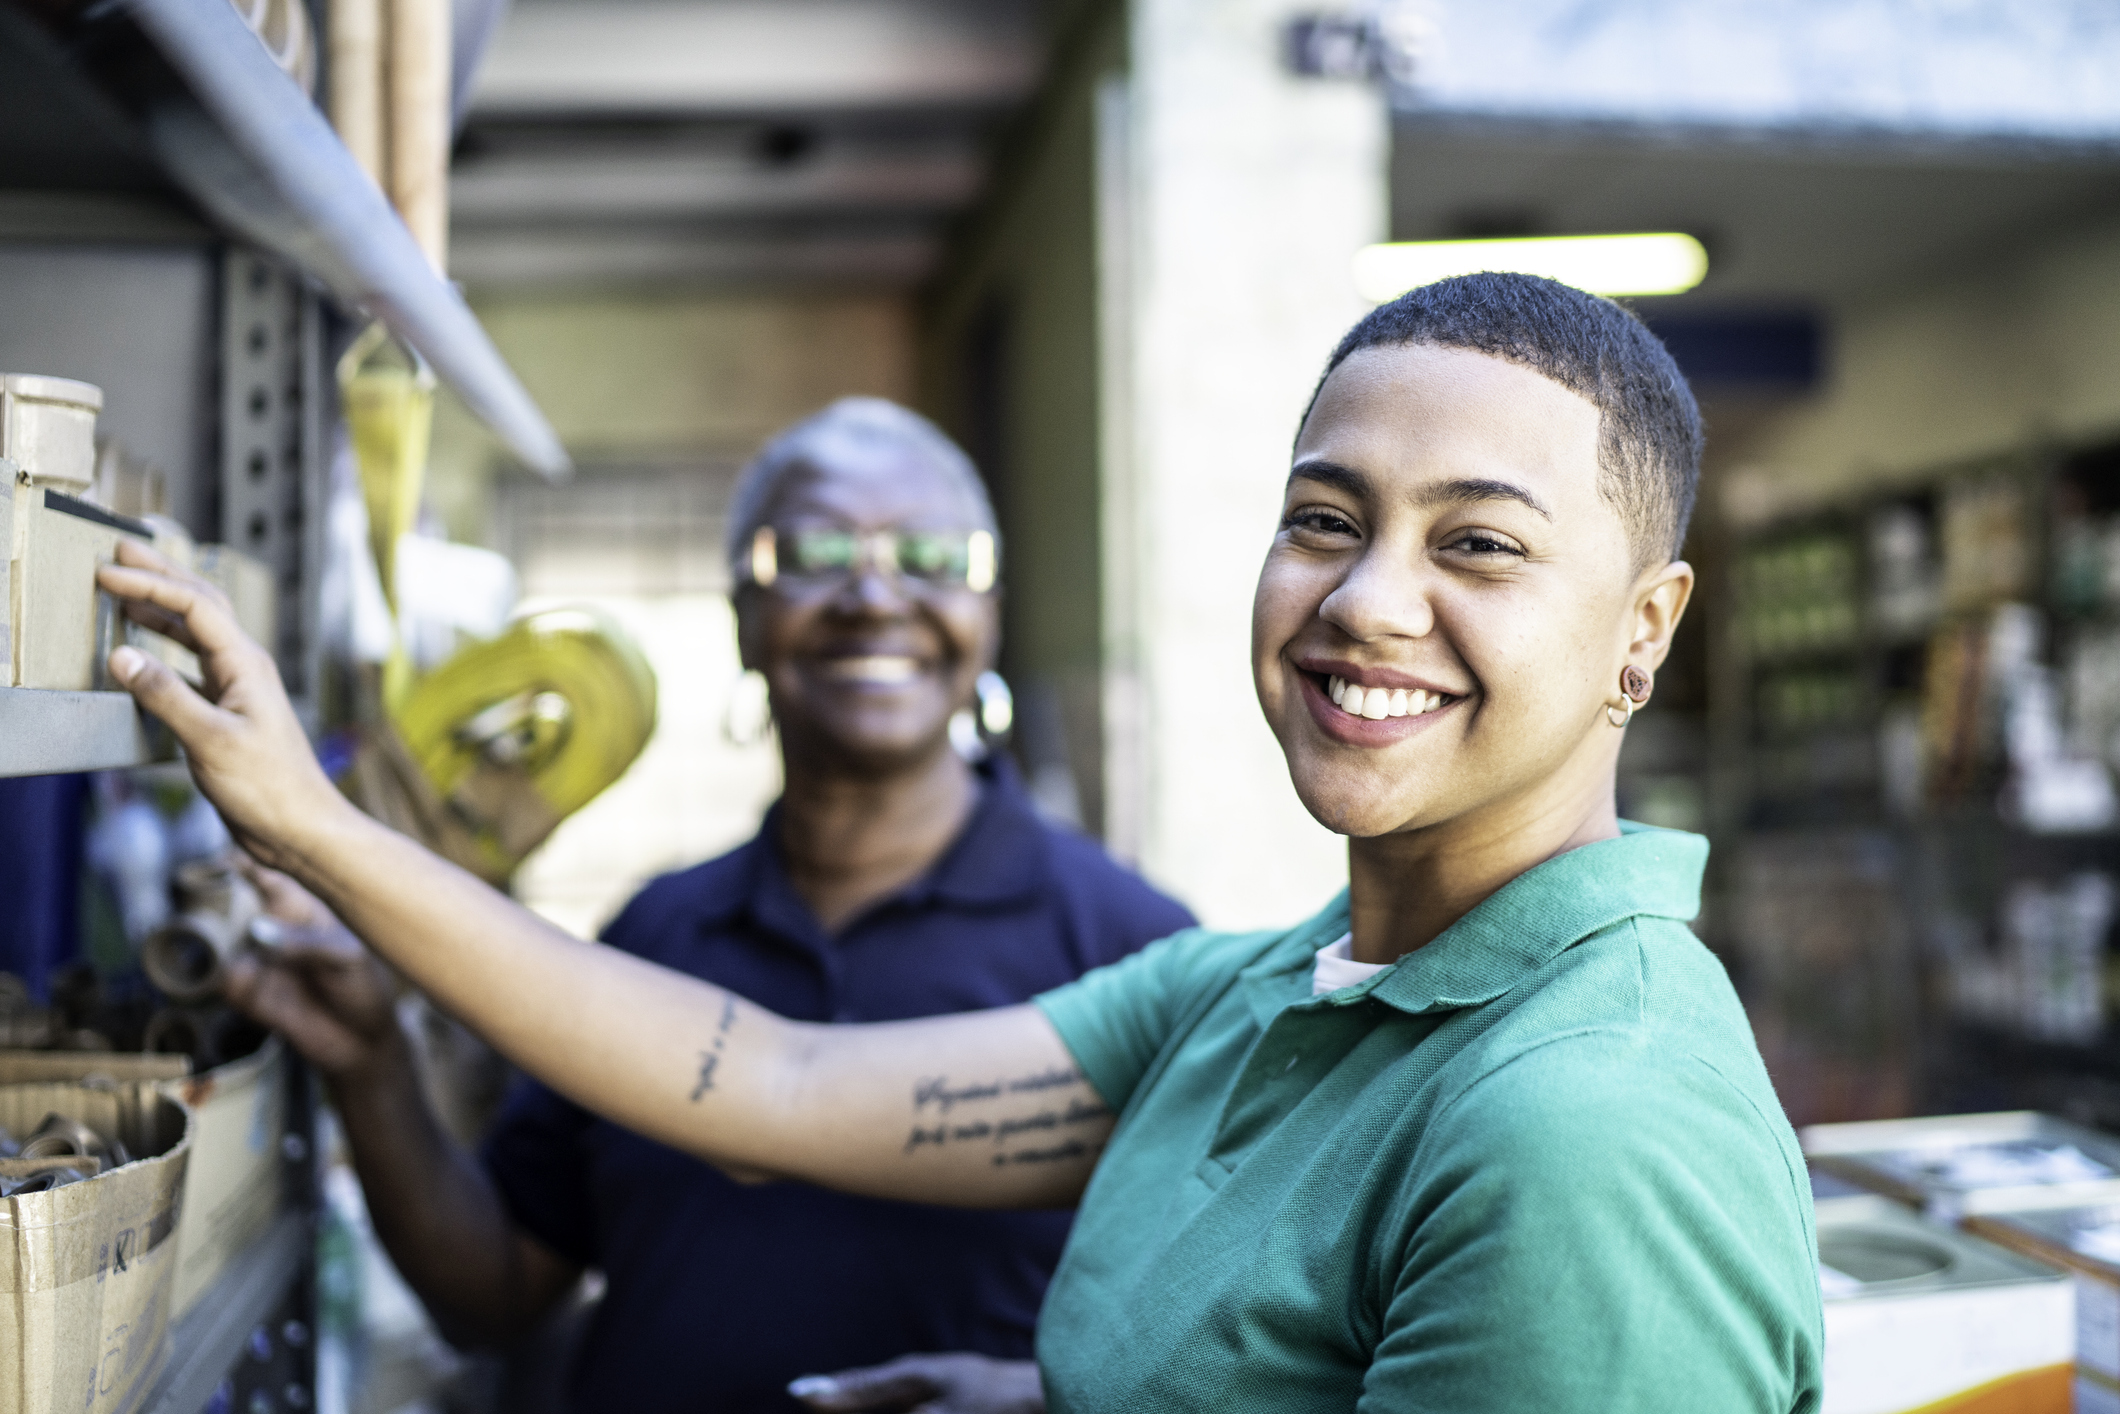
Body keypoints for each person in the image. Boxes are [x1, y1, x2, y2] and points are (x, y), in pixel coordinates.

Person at [103, 274, 1825, 1412]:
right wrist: (316, 828)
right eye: (1325, 518)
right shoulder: (1261, 996)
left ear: (1644, 630)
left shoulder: (1580, 1124)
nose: (1370, 600)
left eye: (1484, 545)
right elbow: (766, 1081)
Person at [220, 399, 1194, 1413]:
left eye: (933, 556)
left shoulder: (1124, 945)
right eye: (814, 550)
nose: (874, 590)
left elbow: (1236, 1332)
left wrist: (1046, 1396)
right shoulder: (656, 937)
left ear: (986, 616)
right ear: (742, 619)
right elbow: (494, 1292)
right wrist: (372, 1065)